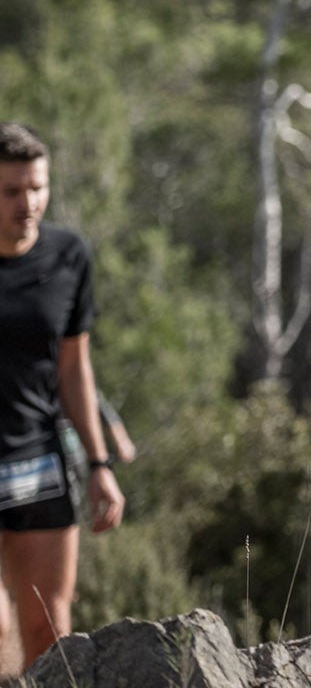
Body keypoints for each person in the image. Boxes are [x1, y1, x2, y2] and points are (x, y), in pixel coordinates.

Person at [0, 124, 123, 669]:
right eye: (10, 191)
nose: (28, 204)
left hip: (40, 463)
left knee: (48, 631)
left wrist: (99, 462)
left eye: (37, 187)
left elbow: (75, 367)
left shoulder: (68, 254)